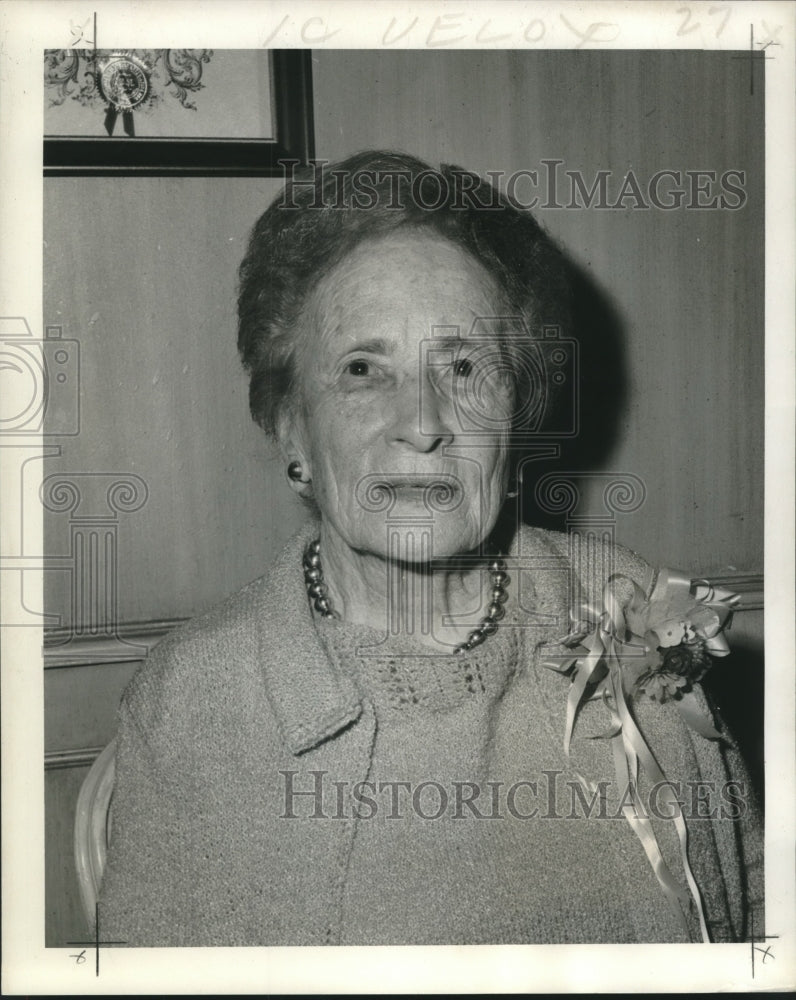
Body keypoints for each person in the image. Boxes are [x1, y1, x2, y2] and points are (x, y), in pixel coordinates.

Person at [99, 150, 763, 946]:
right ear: (291, 427)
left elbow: (749, 900)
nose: (422, 422)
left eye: (463, 365)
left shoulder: (633, 607)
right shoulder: (195, 699)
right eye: (362, 368)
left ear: (515, 417)